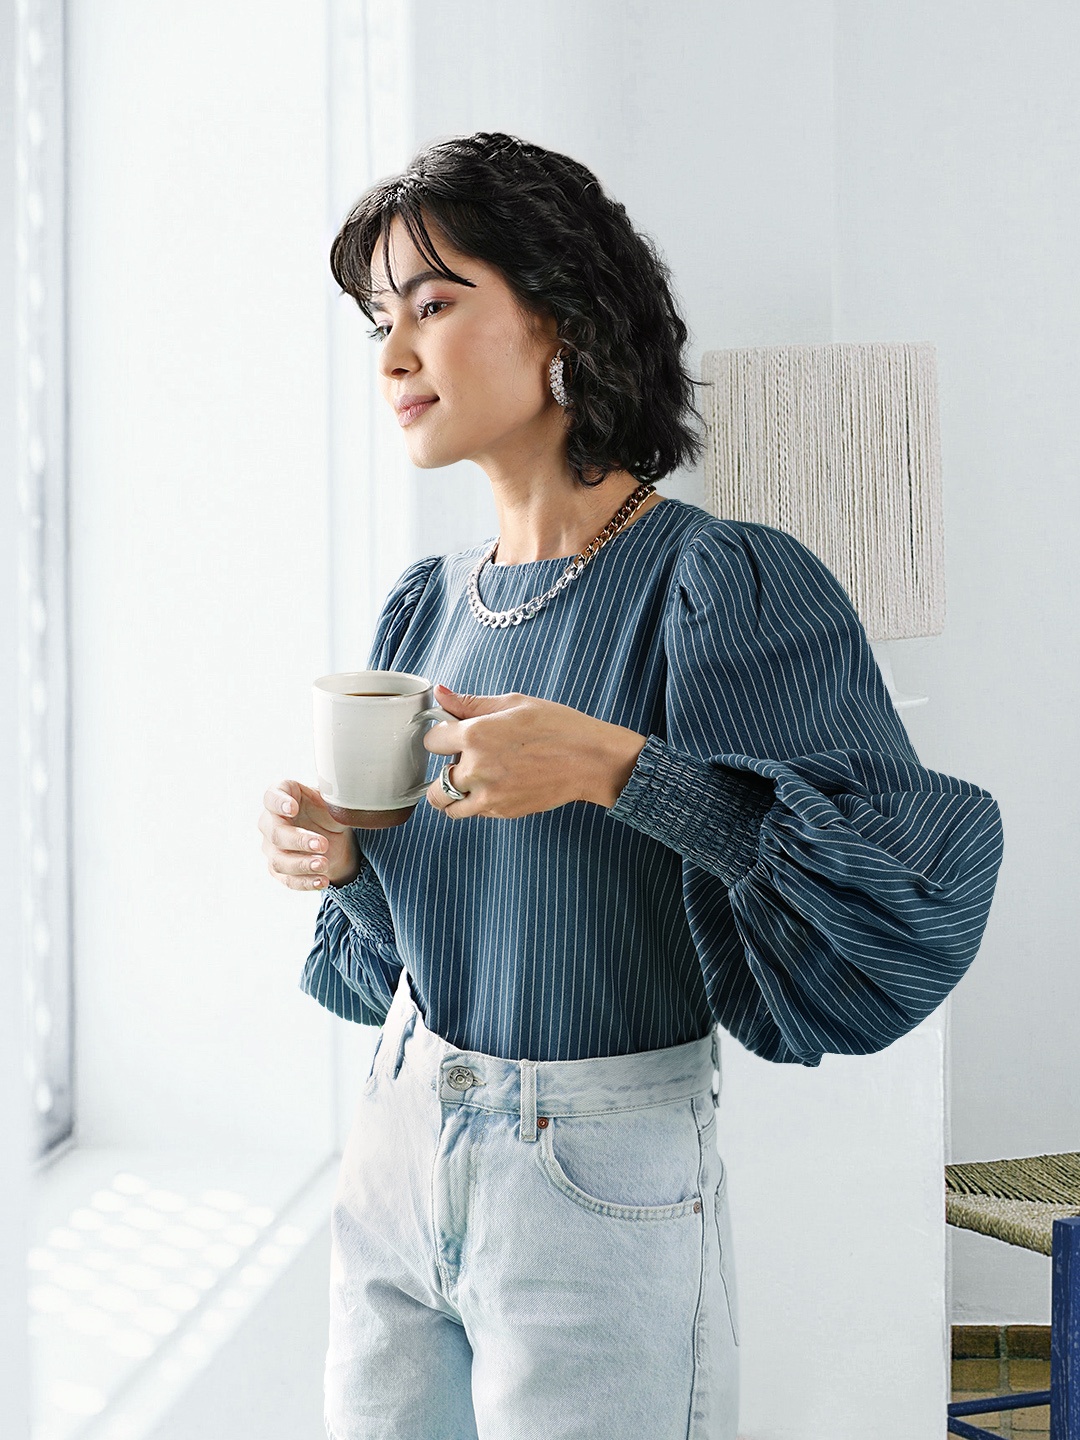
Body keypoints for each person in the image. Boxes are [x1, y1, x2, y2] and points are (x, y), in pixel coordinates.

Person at [257, 132, 1004, 1440]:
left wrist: (613, 766)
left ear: (564, 314)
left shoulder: (717, 586)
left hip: (597, 1182)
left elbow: (904, 892)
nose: (391, 355)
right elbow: (401, 963)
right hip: (392, 1146)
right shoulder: (424, 611)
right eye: (379, 319)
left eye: (433, 303)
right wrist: (348, 866)